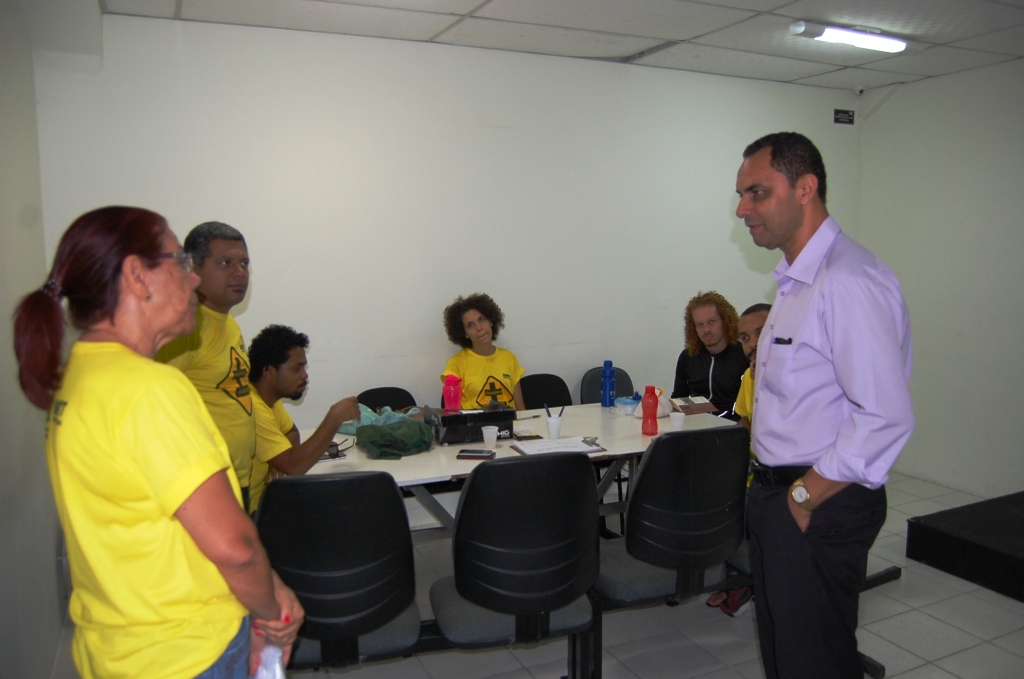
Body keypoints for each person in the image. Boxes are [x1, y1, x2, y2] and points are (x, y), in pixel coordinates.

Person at [13, 206, 303, 678]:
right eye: (179, 264)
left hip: (118, 646)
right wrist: (273, 609)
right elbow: (234, 546)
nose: (191, 282)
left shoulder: (82, 374)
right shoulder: (149, 388)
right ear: (136, 276)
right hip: (186, 648)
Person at [735, 132, 914, 678]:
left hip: (818, 500)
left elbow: (884, 416)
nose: (742, 209)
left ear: (805, 188)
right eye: (741, 195)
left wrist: (802, 497)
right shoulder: (795, 284)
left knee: (812, 662)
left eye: (757, 193)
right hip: (782, 496)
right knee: (789, 656)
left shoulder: (848, 281)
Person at [157, 221, 257, 510]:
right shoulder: (184, 329)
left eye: (244, 263)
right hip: (203, 487)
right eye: (225, 263)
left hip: (237, 479)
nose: (239, 272)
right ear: (192, 269)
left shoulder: (230, 324)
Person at [247, 324, 360, 511]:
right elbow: (294, 467)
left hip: (267, 501)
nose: (305, 375)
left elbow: (292, 432)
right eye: (296, 368)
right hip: (250, 514)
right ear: (269, 372)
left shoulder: (269, 400)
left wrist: (277, 460)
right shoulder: (253, 407)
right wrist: (333, 419)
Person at [441, 292, 525, 410]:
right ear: (464, 333)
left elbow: (521, 409)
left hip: (509, 426)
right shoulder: (456, 363)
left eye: (482, 319)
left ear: (491, 321)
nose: (479, 328)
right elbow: (452, 413)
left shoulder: (509, 358)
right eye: (470, 325)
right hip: (474, 427)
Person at [670, 290, 748, 415]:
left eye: (712, 322)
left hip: (732, 428)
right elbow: (678, 399)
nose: (706, 330)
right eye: (699, 325)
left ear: (725, 321)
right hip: (696, 427)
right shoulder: (688, 357)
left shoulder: (744, 355)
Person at [733, 303, 771, 431]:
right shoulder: (750, 374)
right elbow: (745, 419)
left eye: (760, 333)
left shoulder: (799, 376)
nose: (752, 344)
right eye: (745, 338)